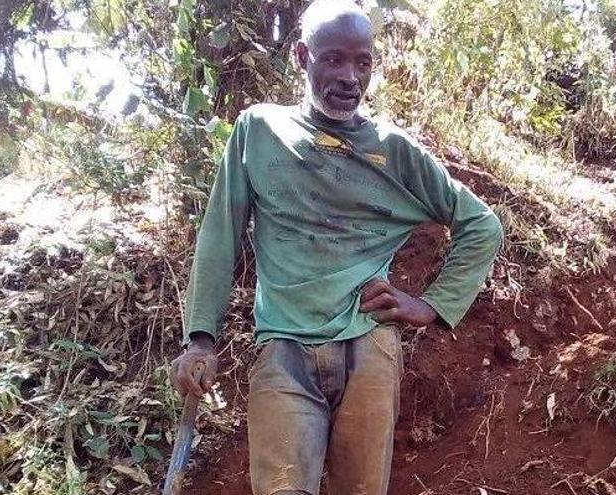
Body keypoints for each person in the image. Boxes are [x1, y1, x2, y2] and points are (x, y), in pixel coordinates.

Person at [170, 1, 503, 493]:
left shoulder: (394, 150)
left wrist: (430, 305)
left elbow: (481, 224)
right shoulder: (259, 131)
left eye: (362, 62)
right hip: (282, 345)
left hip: (368, 344)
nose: (350, 76)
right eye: (334, 59)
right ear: (303, 57)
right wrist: (200, 340)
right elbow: (220, 234)